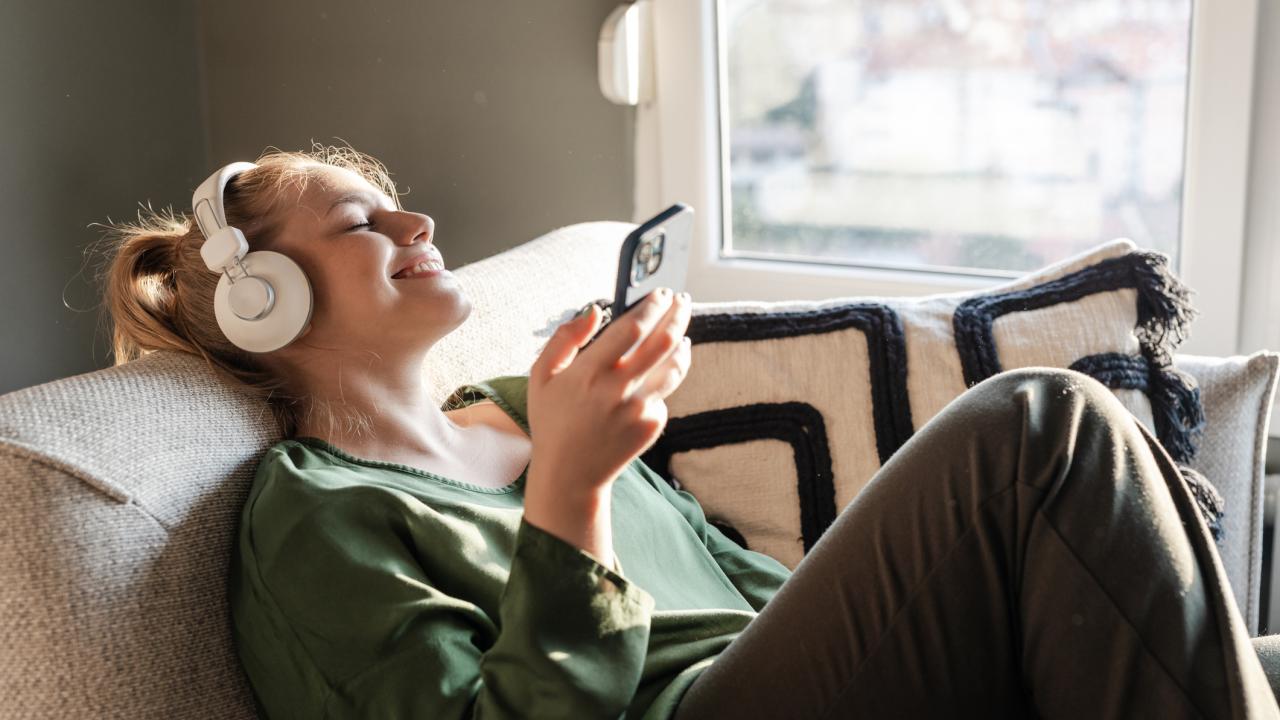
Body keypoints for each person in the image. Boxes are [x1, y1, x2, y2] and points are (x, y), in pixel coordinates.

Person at [100, 144, 1280, 719]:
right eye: (359, 219)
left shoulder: (521, 403)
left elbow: (750, 590)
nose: (416, 217)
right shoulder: (315, 518)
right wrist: (569, 489)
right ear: (269, 301)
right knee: (1041, 422)